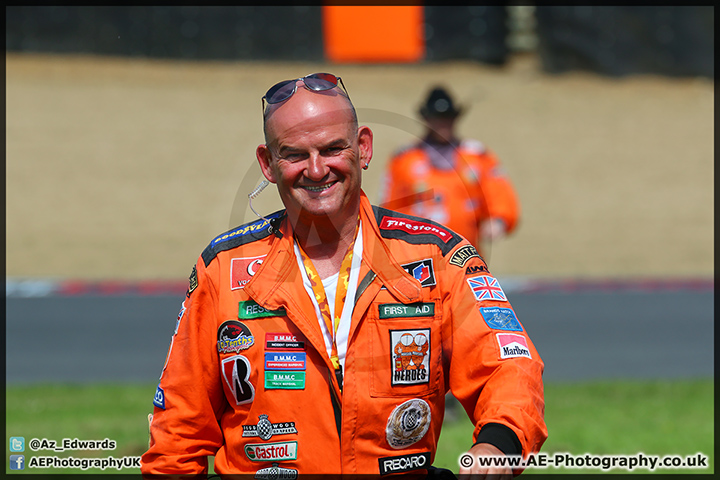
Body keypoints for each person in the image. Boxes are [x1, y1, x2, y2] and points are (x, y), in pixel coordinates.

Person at [141, 73, 546, 478]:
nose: (317, 170)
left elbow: (509, 366)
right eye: (295, 154)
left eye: (333, 148)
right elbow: (178, 433)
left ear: (363, 148)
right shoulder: (222, 269)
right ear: (267, 164)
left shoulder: (439, 257)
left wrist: (500, 442)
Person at [379, 86, 520, 258]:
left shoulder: (477, 155)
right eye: (437, 118)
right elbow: (390, 203)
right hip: (416, 256)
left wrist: (498, 220)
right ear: (426, 119)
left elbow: (499, 194)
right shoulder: (404, 158)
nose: (443, 123)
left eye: (447, 117)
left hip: (465, 255)